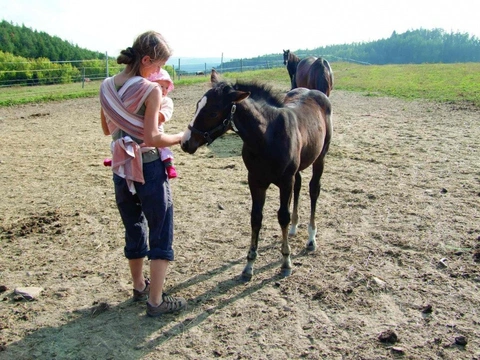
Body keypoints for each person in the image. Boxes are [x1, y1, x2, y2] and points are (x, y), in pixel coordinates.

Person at [99, 30, 187, 317]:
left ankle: (138, 286)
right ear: (147, 59)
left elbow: (106, 130)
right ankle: (156, 301)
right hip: (147, 164)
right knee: (160, 227)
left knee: (134, 224)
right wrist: (180, 137)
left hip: (120, 166)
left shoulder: (105, 86)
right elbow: (152, 137)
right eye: (158, 65)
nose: (160, 72)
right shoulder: (151, 90)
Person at [147, 69, 177, 179]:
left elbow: (164, 116)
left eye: (166, 88)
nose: (164, 90)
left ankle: (169, 166)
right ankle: (116, 161)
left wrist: (150, 113)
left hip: (156, 129)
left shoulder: (166, 101)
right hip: (140, 128)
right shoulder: (145, 98)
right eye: (160, 86)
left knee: (162, 147)